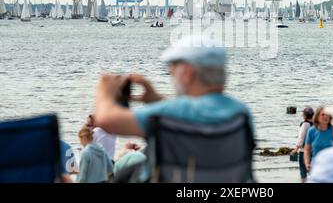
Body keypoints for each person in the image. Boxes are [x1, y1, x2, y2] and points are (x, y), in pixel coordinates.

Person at [93, 36, 253, 164]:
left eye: (173, 66)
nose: (170, 72)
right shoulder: (241, 113)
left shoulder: (172, 112)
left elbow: (107, 121)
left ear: (187, 73)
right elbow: (193, 113)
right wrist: (156, 99)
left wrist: (105, 90)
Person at [304, 107, 333, 172]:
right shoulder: (311, 131)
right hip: (316, 165)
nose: (326, 116)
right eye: (323, 115)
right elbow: (307, 149)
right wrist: (307, 163)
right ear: (317, 117)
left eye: (327, 115)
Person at [291, 107, 314, 183]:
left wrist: (296, 149)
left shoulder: (305, 124)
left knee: (303, 170)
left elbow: (301, 137)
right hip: (313, 150)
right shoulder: (315, 124)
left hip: (304, 151)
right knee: (312, 169)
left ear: (304, 115)